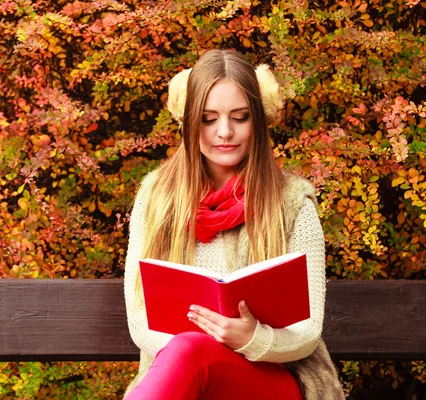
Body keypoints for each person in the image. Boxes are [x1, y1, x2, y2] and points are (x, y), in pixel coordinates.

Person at [122, 50, 345, 400]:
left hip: (274, 381)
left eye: (239, 117)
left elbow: (307, 332)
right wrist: (199, 348)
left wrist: (251, 338)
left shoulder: (292, 205)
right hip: (185, 377)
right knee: (190, 352)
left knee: (192, 353)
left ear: (257, 120)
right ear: (189, 121)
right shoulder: (155, 198)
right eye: (209, 119)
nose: (224, 132)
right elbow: (140, 319)